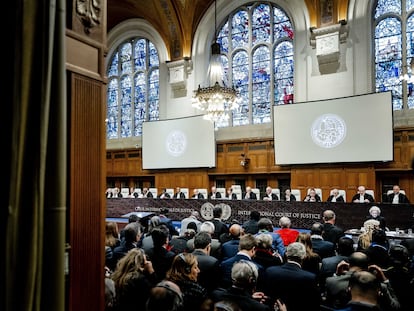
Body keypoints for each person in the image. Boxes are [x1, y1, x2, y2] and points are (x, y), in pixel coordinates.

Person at [323, 251, 400, 311]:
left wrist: (336, 275)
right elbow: (395, 307)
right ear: (367, 267)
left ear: (348, 265)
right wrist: (385, 280)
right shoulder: (379, 286)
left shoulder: (331, 281)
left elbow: (327, 302)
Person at [263, 242, 321, 311]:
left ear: (286, 254)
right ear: (304, 256)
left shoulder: (270, 271)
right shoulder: (310, 278)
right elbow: (315, 304)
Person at [211, 260, 277, 311]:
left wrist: (250, 298)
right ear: (251, 280)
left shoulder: (215, 295)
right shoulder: (261, 308)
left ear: (232, 275)